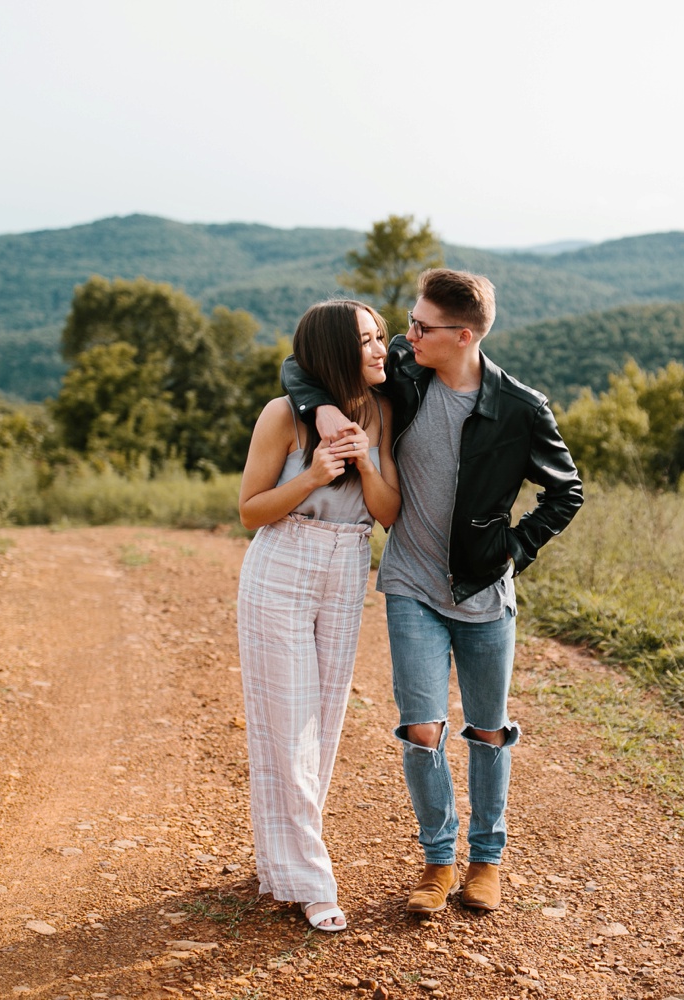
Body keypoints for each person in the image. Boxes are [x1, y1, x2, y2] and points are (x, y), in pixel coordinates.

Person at [282, 268, 582, 914]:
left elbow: (567, 491)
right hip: (411, 585)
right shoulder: (405, 374)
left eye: (422, 326)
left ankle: (487, 860)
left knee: (487, 730)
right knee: (422, 730)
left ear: (464, 335)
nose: (407, 334)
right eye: (409, 324)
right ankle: (437, 862)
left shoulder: (520, 408)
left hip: (484, 594)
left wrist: (514, 549)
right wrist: (324, 406)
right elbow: (301, 365)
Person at [236, 299, 400, 932]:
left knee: (323, 724)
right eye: (367, 340)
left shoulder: (381, 411)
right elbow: (250, 510)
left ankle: (282, 865)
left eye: (383, 336)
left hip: (347, 566)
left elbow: (386, 513)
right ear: (334, 351)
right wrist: (310, 476)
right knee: (285, 723)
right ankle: (313, 879)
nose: (383, 348)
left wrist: (361, 459)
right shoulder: (283, 415)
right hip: (282, 561)